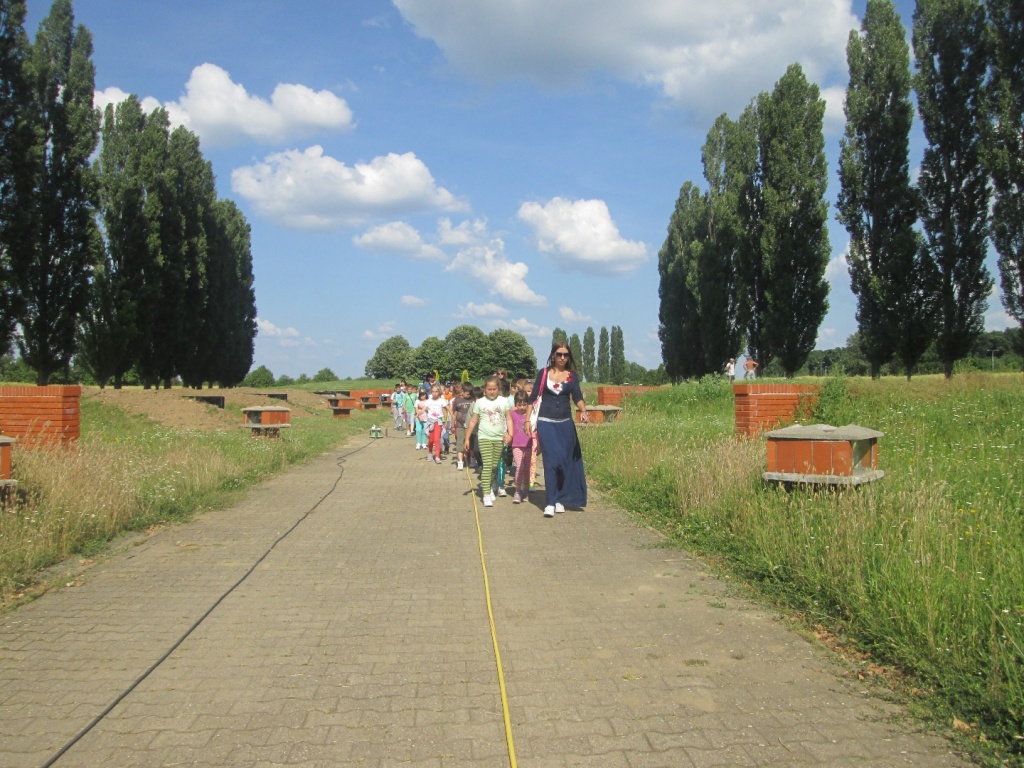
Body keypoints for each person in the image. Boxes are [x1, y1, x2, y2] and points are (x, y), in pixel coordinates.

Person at [525, 340, 588, 518]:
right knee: (551, 461)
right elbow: (534, 397)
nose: (562, 357)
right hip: (546, 423)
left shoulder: (572, 376)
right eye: (559, 354)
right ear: (553, 355)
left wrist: (583, 410)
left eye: (565, 355)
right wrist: (527, 420)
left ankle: (560, 498)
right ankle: (550, 502)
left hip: (565, 424)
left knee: (564, 461)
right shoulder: (544, 373)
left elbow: (577, 396)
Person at [463, 375, 512, 507]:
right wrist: (467, 438)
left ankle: (489, 485)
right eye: (489, 389)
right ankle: (486, 494)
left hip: (499, 438)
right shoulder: (480, 402)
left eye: (494, 389)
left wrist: (510, 434)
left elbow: (508, 418)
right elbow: (473, 421)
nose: (492, 391)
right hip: (484, 437)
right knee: (487, 465)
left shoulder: (503, 401)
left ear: (498, 389)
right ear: (485, 389)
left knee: (494, 465)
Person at [509, 390, 534, 504]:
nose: (522, 407)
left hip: (529, 444)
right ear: (515, 404)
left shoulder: (531, 415)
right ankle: (518, 490)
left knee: (527, 468)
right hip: (516, 445)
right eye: (520, 404)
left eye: (524, 404)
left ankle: (525, 491)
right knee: (520, 466)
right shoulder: (512, 414)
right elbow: (508, 426)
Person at [450, 382, 473, 470]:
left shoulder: (472, 400)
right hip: (460, 425)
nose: (469, 395)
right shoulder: (457, 400)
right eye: (467, 394)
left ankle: (471, 459)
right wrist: (452, 425)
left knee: (470, 442)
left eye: (470, 394)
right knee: (460, 442)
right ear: (462, 391)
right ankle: (460, 461)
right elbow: (454, 414)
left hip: (470, 426)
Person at [423, 383, 447, 464]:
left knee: (437, 439)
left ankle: (437, 456)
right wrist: (418, 414)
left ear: (439, 392)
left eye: (436, 391)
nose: (435, 393)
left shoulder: (442, 401)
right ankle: (430, 453)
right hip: (430, 422)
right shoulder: (428, 401)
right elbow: (424, 409)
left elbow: (446, 410)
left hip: (438, 422)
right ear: (431, 392)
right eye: (433, 391)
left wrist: (447, 420)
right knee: (431, 440)